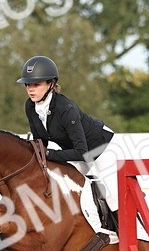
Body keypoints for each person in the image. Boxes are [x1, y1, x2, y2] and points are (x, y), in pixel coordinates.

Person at [19, 55, 119, 233]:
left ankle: (136, 234)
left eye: (36, 84)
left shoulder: (66, 109)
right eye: (28, 85)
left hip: (103, 148)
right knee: (67, 188)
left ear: (51, 84)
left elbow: (82, 152)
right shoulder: (30, 106)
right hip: (78, 152)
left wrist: (49, 155)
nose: (31, 89)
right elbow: (40, 142)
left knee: (113, 198)